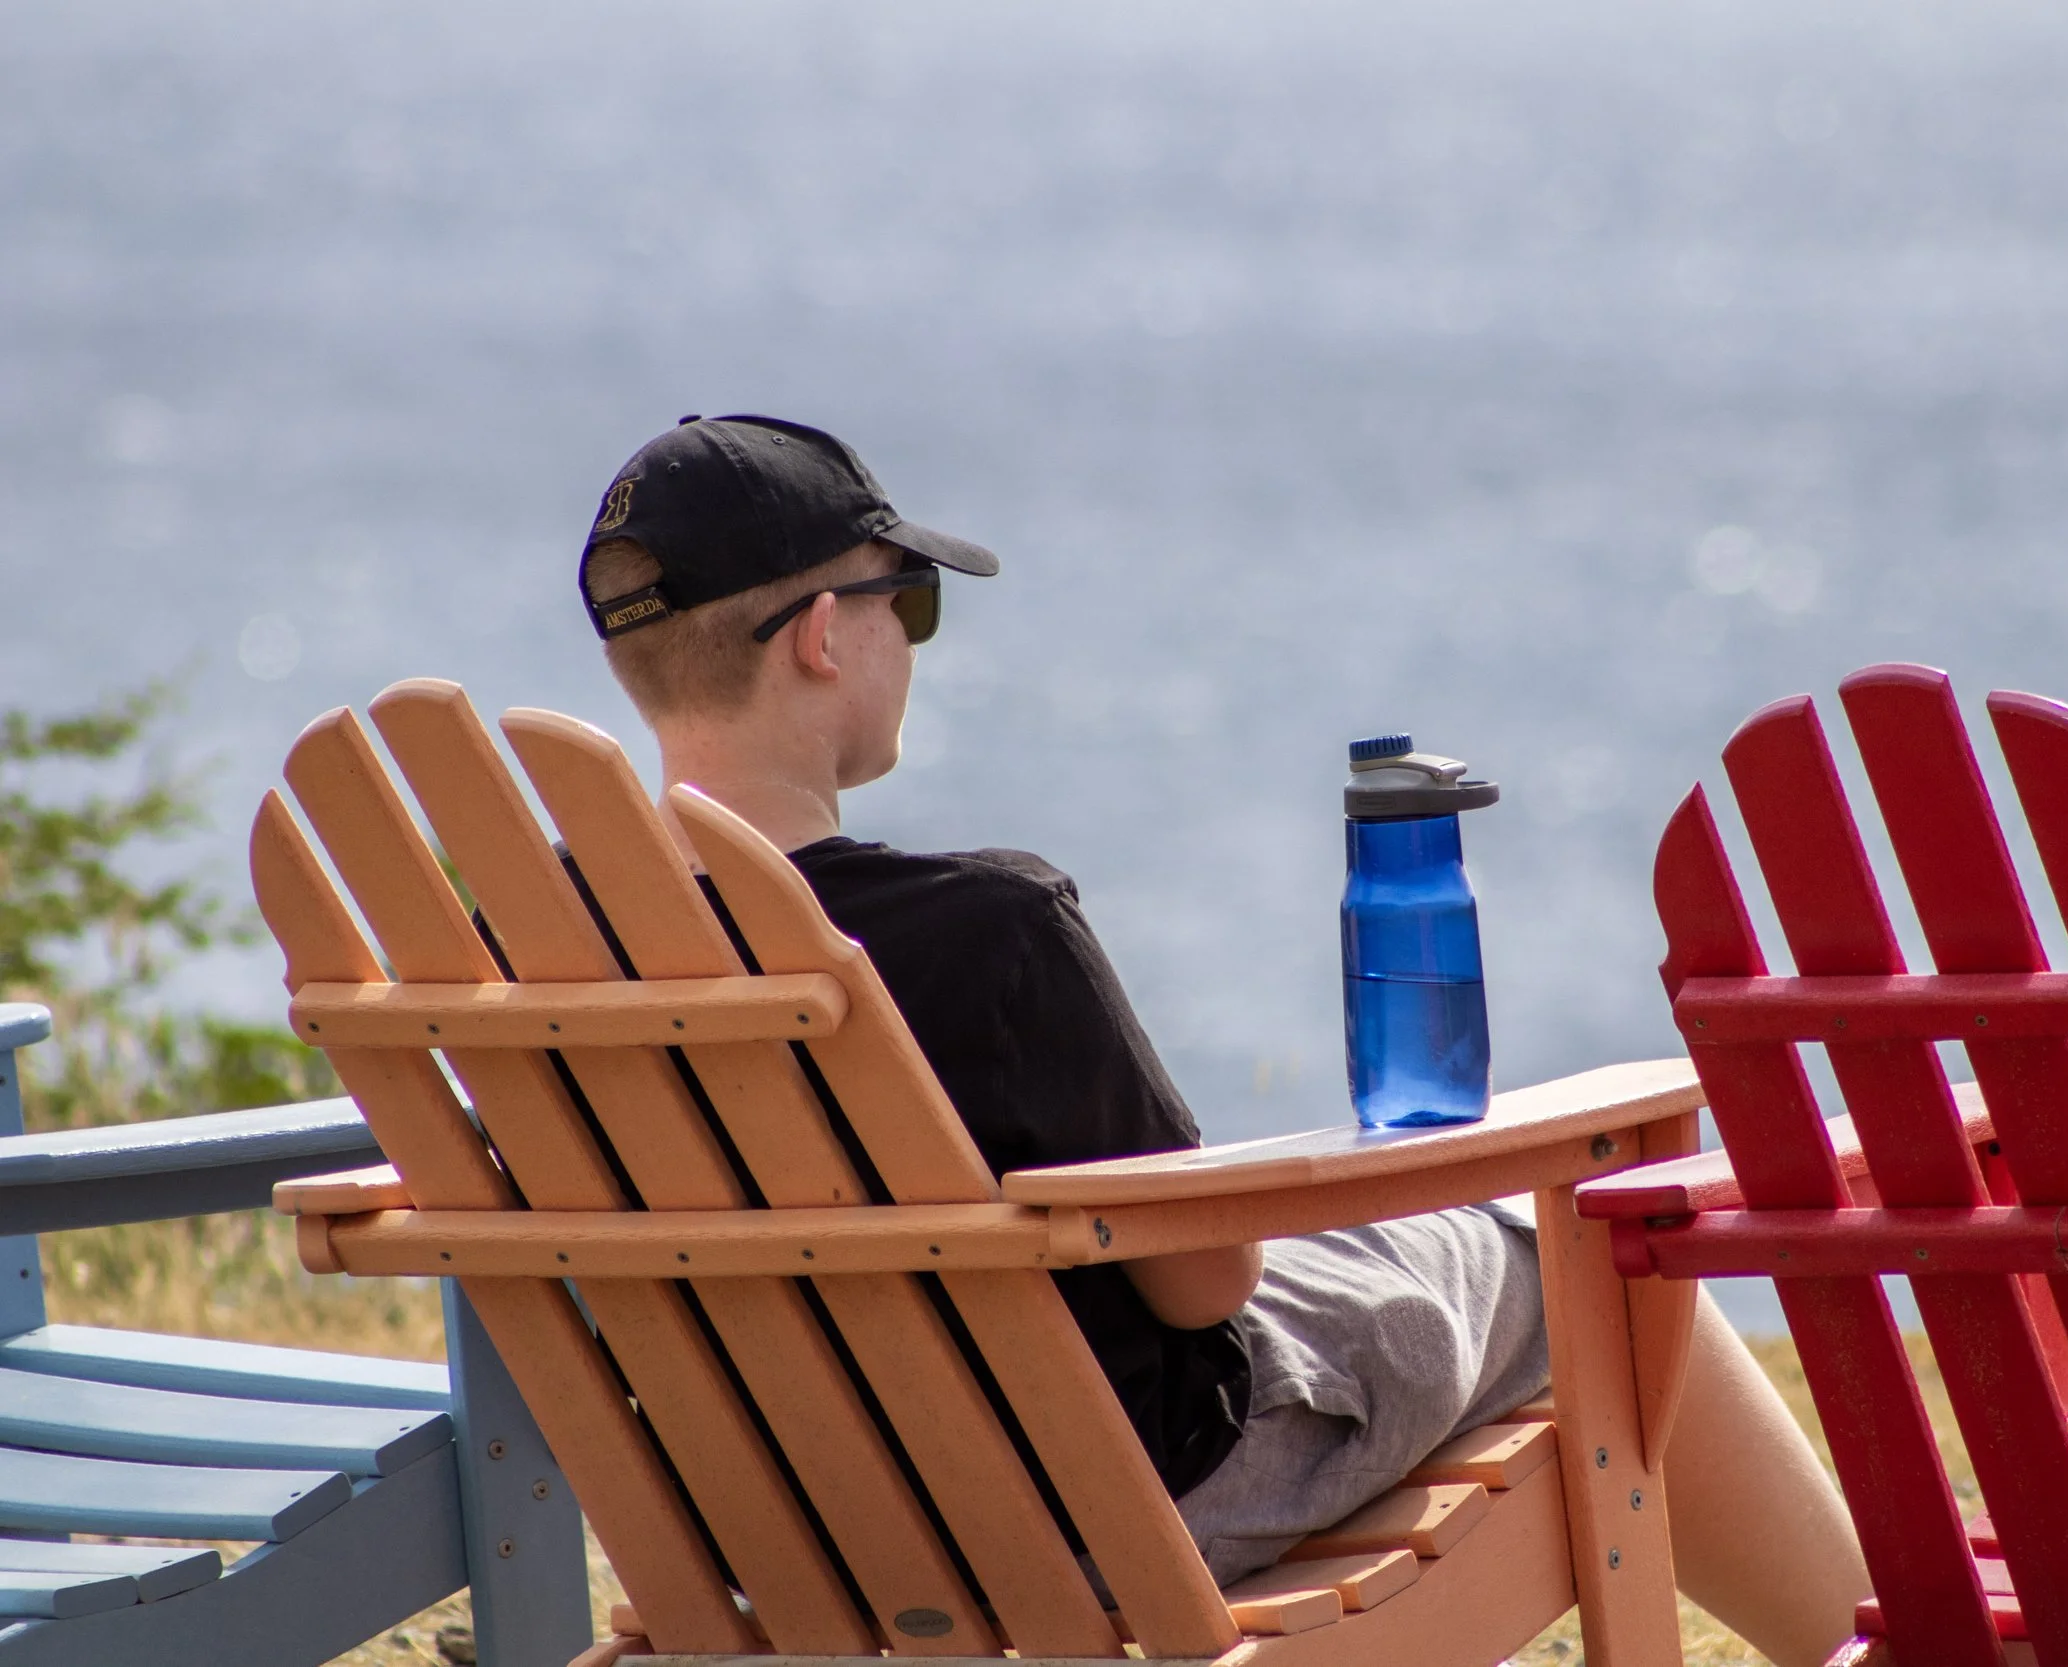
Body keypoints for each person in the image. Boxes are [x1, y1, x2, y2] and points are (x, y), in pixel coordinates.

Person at [576, 414, 1871, 1667]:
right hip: (1115, 1509)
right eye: (906, 600)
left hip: (764, 1529)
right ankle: (1896, 1646)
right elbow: (1209, 1284)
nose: (910, 638)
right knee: (1585, 1238)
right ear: (818, 637)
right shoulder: (990, 930)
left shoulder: (547, 962)